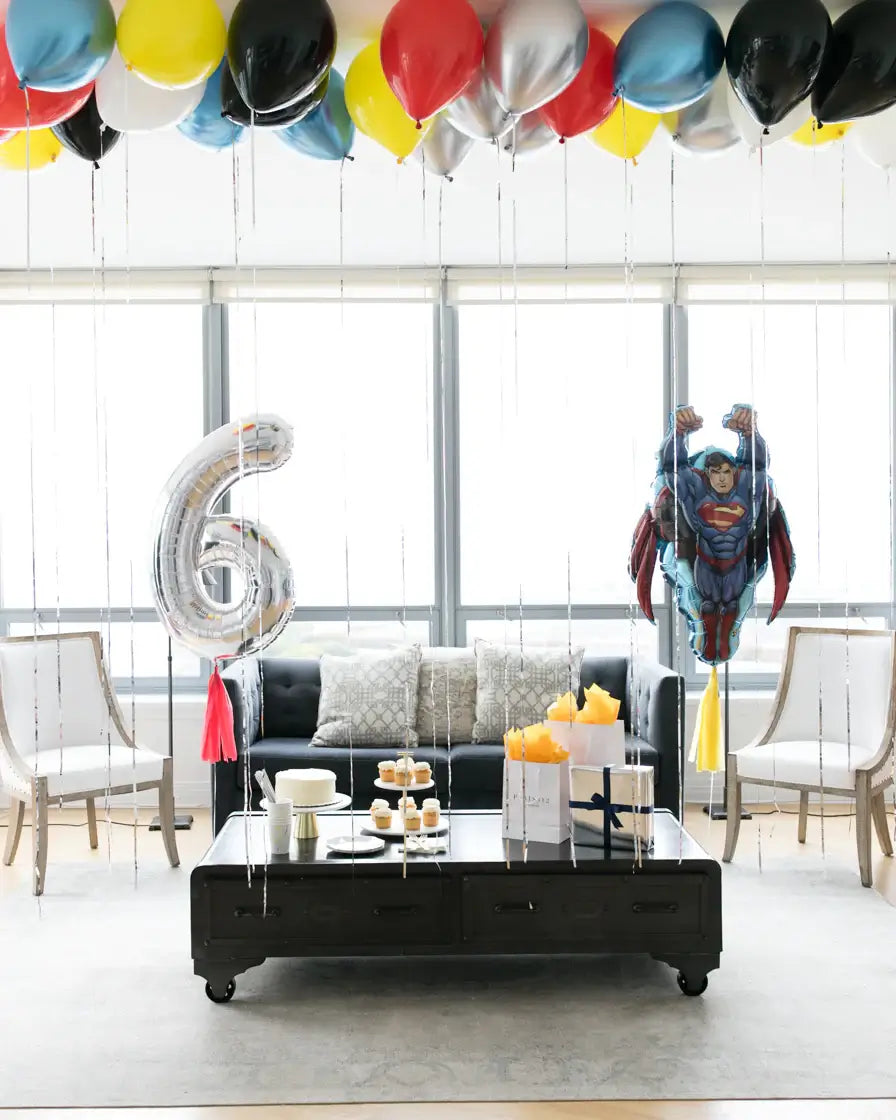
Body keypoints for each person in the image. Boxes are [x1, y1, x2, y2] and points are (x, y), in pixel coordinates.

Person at [658, 404, 768, 663]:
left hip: (736, 565)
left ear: (734, 473)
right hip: (705, 564)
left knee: (731, 605)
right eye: (715, 472)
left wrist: (750, 435)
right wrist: (678, 434)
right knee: (707, 605)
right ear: (707, 475)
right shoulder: (697, 495)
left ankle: (726, 640)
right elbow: (673, 469)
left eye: (727, 472)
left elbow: (758, 466)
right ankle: (704, 638)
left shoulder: (745, 493)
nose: (721, 478)